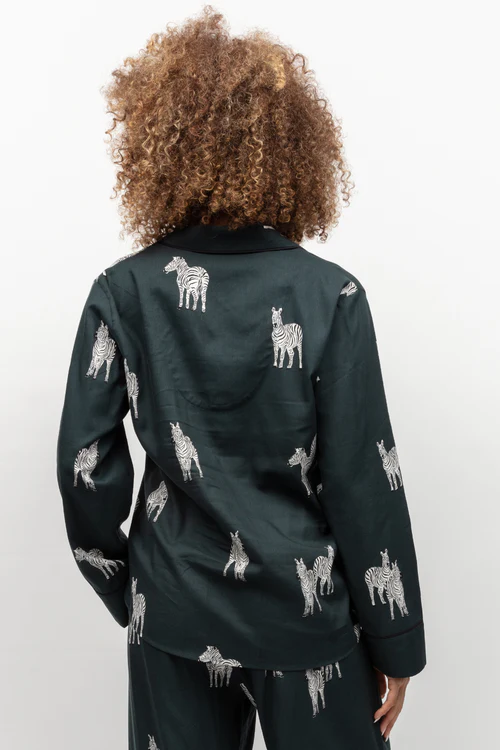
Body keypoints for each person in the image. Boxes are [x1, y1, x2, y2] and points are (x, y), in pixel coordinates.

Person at [56, 6, 426, 749]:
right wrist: (396, 641)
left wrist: (131, 588)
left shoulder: (124, 292)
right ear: (294, 153)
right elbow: (363, 477)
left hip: (174, 608)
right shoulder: (331, 296)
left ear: (159, 148)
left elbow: (83, 466)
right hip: (303, 618)